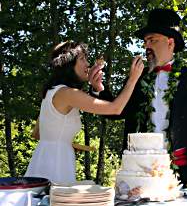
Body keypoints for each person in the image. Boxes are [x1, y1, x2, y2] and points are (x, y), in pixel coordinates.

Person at [89, 9, 187, 186]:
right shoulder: (136, 79)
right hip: (140, 171)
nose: (146, 46)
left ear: (170, 42)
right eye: (145, 41)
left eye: (152, 40)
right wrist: (98, 89)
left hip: (183, 171)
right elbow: (116, 112)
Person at [25, 41, 144, 184]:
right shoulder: (68, 93)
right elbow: (115, 108)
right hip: (54, 164)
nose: (87, 64)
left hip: (48, 158)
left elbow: (38, 133)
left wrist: (64, 143)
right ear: (68, 64)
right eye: (82, 59)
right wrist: (133, 79)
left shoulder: (54, 91)